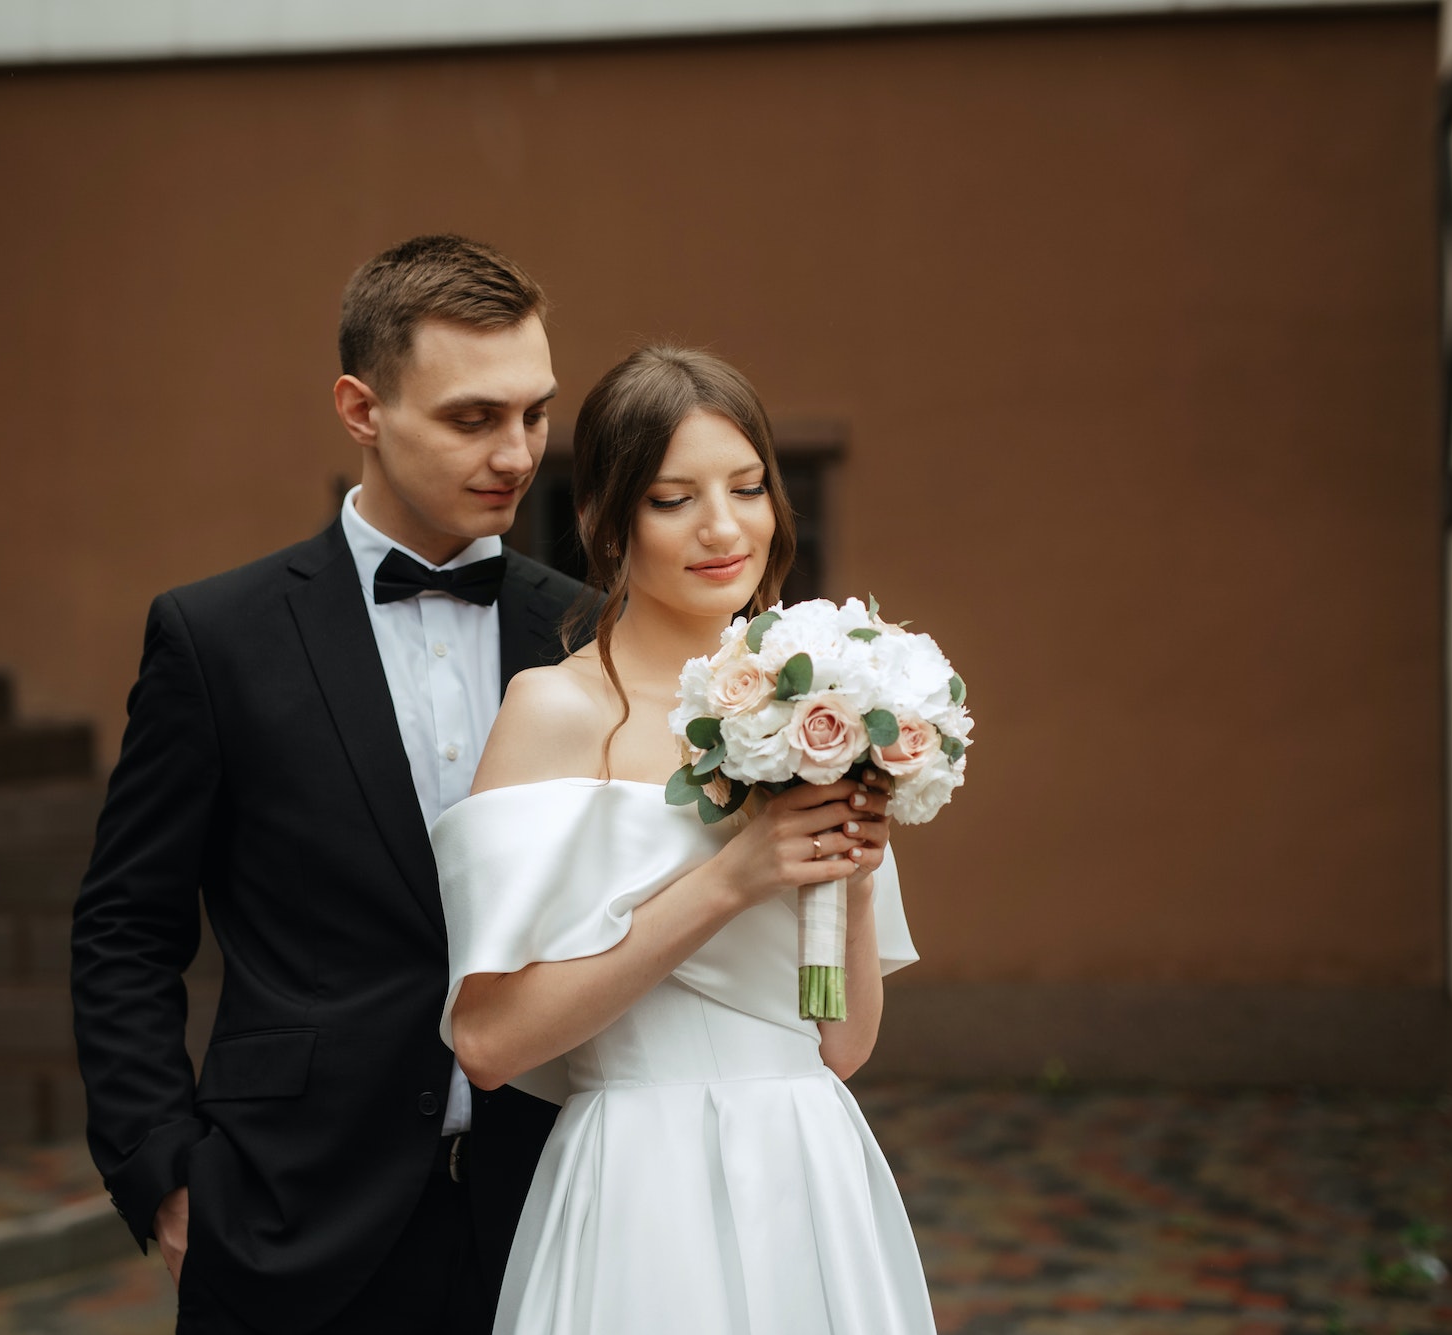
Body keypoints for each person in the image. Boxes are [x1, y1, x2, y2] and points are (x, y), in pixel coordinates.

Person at [70, 235, 586, 1335]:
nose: (516, 452)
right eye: (470, 418)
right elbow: (124, 925)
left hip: (557, 1207)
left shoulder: (590, 632)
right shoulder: (216, 639)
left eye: (534, 414)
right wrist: (163, 1176)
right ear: (360, 409)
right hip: (287, 1220)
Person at [434, 346, 937, 1333]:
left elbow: (839, 1045)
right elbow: (487, 1044)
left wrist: (857, 876)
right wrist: (731, 879)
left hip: (809, 1167)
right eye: (672, 499)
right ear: (604, 522)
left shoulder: (819, 706)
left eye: (747, 487)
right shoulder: (554, 710)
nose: (723, 527)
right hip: (636, 1179)